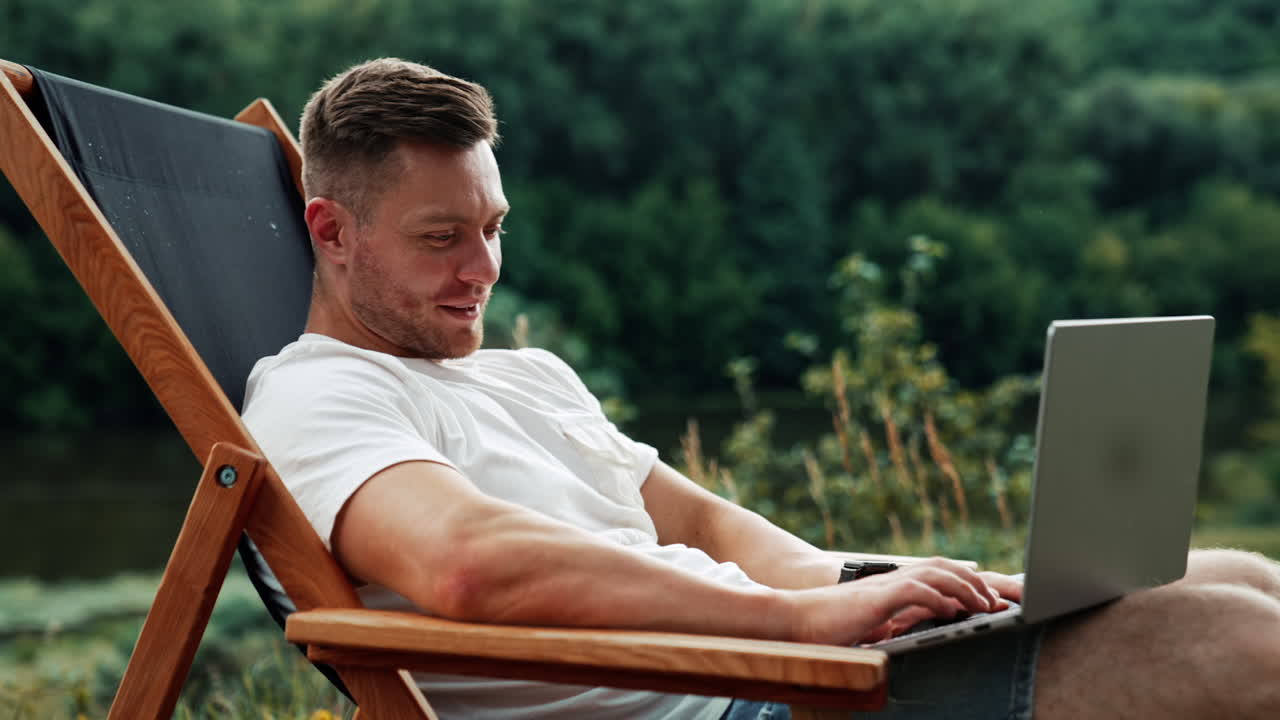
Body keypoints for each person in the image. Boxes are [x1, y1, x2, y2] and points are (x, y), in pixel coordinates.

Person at [242, 58, 1280, 719]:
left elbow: (719, 530)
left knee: (1242, 577)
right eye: (440, 239)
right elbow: (465, 566)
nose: (482, 269)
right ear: (331, 231)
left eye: (493, 230)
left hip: (795, 662)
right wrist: (796, 631)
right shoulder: (315, 398)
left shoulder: (526, 375)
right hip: (739, 698)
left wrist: (876, 583)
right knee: (1240, 647)